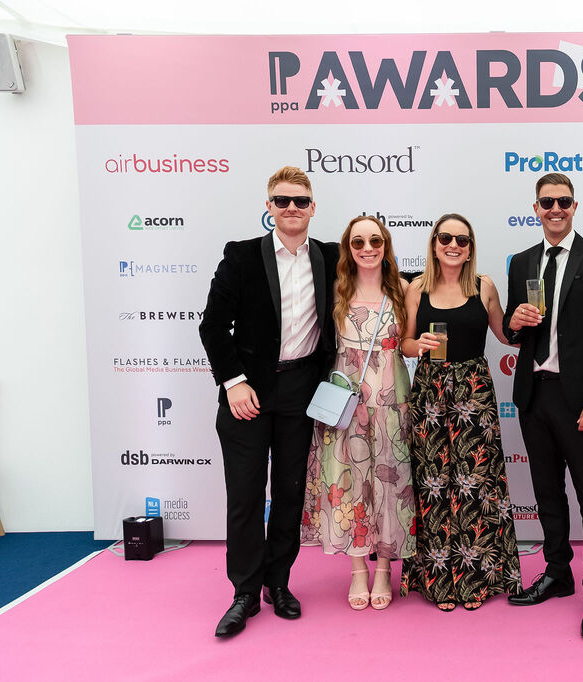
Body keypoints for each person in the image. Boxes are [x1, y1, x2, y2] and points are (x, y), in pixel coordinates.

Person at [199, 166, 338, 637]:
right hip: (248, 392)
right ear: (269, 207)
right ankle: (243, 592)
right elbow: (212, 326)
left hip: (302, 390)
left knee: (290, 493)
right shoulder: (240, 256)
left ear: (313, 207)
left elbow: (385, 273)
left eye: (300, 200)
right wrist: (233, 381)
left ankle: (277, 582)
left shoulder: (331, 256)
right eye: (282, 200)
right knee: (244, 494)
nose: (291, 208)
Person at [503, 173, 583, 640]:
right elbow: (515, 330)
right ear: (535, 208)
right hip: (534, 394)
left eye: (563, 201)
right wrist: (515, 323)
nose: (555, 208)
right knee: (546, 491)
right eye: (547, 201)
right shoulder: (522, 261)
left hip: (581, 400)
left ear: (575, 206)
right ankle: (558, 572)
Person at [399, 213, 524, 611]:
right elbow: (404, 343)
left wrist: (524, 321)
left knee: (477, 484)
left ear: (470, 248)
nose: (453, 245)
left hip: (474, 391)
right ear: (434, 244)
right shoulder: (417, 287)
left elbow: (506, 335)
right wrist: (418, 344)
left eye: (462, 240)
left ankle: (476, 582)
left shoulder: (484, 286)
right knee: (433, 483)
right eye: (446, 238)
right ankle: (439, 583)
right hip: (430, 391)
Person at [300, 216, 415, 611]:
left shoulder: (403, 289)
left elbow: (410, 342)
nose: (368, 249)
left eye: (376, 241)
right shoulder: (335, 289)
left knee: (389, 481)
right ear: (348, 248)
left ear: (386, 246)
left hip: (392, 400)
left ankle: (383, 568)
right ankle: (358, 571)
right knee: (348, 483)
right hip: (345, 401)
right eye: (359, 242)